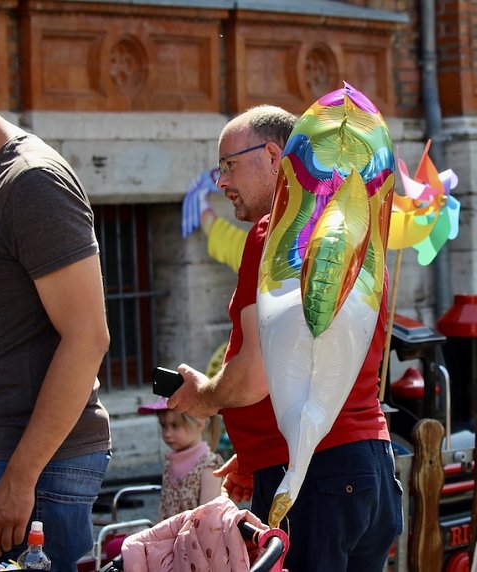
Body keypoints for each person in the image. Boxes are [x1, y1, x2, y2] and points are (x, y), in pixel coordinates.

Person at [167, 104, 402, 571]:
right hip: (368, 466)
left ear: (275, 157)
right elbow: (311, 361)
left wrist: (203, 397)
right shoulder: (354, 232)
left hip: (312, 477)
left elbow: (256, 377)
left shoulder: (274, 233)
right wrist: (254, 453)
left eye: (229, 165)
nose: (222, 182)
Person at [0, 28, 112, 569]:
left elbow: (88, 337)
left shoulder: (31, 180)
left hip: (35, 473)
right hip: (6, 464)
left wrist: (20, 475)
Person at [137, 397, 224, 521]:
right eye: (164, 426)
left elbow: (208, 518)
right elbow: (164, 511)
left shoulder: (209, 465)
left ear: (199, 422)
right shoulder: (169, 463)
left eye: (175, 426)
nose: (167, 433)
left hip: (195, 538)